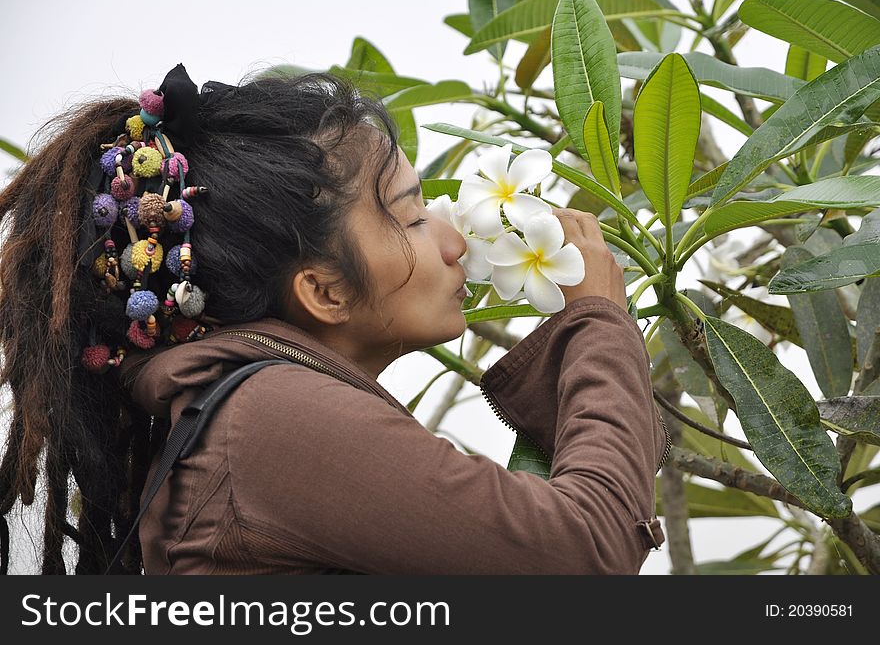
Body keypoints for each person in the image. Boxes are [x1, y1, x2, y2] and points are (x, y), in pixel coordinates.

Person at [0, 65, 667, 575]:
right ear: (323, 291)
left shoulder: (248, 413)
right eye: (409, 216)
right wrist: (599, 324)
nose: (453, 240)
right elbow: (581, 553)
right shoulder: (268, 419)